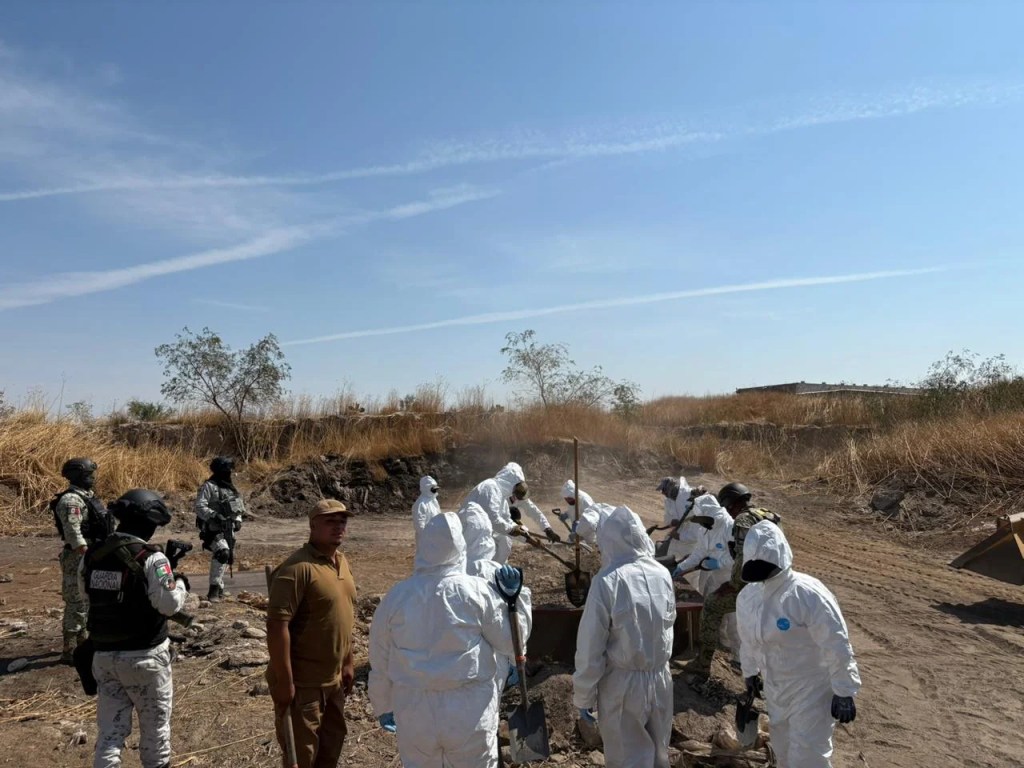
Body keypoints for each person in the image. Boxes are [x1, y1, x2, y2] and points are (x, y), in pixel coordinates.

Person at [370, 513, 527, 768]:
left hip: (414, 710)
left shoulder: (396, 596)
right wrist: (514, 601)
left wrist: (382, 704)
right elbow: (510, 643)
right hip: (469, 710)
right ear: (460, 546)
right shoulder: (477, 592)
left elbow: (379, 657)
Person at [737, 522, 861, 768]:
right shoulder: (748, 597)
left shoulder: (807, 593)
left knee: (808, 757)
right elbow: (748, 640)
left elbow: (835, 641)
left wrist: (844, 689)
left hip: (811, 689)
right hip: (775, 689)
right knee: (782, 752)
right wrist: (750, 673)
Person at [82, 489, 189, 768]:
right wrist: (180, 584)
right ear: (149, 522)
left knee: (110, 732)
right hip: (145, 657)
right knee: (155, 729)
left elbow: (88, 597)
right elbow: (168, 605)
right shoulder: (152, 558)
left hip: (104, 656)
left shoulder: (93, 555)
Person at [573, 506, 675, 768]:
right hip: (661, 679)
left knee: (627, 758)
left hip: (624, 685)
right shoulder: (662, 574)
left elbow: (590, 646)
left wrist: (584, 695)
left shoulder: (607, 580)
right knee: (659, 755)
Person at [266, 499, 357, 768]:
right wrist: (285, 681)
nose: (338, 526)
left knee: (331, 748)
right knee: (301, 757)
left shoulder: (341, 561)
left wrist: (348, 661)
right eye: (330, 521)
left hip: (334, 680)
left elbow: (343, 616)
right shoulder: (297, 568)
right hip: (304, 685)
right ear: (312, 525)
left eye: (342, 521)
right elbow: (277, 626)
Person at [686, 482, 781, 686]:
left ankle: (703, 665)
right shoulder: (766, 514)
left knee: (712, 607)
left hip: (750, 583)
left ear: (731, 502)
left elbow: (741, 558)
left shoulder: (741, 521)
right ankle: (756, 670)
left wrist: (732, 584)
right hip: (775, 580)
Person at [460, 501, 533, 691]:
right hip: (490, 665)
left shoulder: (443, 575)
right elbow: (512, 629)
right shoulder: (494, 572)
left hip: (448, 671)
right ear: (486, 535)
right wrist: (518, 655)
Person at [52, 457, 110, 663]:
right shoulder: (71, 501)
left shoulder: (87, 497)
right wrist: (86, 554)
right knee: (76, 602)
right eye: (88, 475)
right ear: (77, 476)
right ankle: (70, 651)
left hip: (91, 553)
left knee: (88, 602)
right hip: (79, 556)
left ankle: (84, 644)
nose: (93, 478)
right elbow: (73, 533)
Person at [464, 462, 558, 563]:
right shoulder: (490, 488)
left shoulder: (502, 495)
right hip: (473, 534)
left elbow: (512, 519)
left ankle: (497, 570)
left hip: (490, 529)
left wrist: (530, 538)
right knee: (482, 557)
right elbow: (494, 520)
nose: (516, 494)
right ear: (510, 481)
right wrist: (513, 529)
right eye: (517, 488)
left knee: (505, 541)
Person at [194, 456, 246, 600]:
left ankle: (220, 588)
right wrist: (214, 515)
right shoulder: (208, 487)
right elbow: (199, 506)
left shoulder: (231, 489)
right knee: (222, 553)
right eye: (225, 471)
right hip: (212, 529)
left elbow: (238, 509)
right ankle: (213, 591)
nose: (228, 473)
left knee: (227, 556)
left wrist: (238, 520)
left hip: (228, 529)